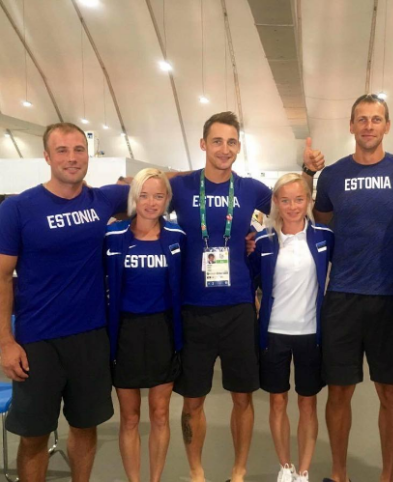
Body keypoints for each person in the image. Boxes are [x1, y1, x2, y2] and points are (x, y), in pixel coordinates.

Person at [0, 122, 129, 482]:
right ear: (46, 156)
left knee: (85, 427)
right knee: (34, 435)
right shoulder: (18, 208)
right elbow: (0, 278)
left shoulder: (103, 200)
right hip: (38, 341)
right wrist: (5, 342)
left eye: (78, 150)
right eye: (62, 150)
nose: (72, 158)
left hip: (90, 337)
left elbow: (161, 184)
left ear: (88, 155)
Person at [303, 94, 393, 482]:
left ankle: (387, 475)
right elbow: (319, 223)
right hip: (343, 298)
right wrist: (305, 172)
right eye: (362, 119)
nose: (369, 126)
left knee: (391, 393)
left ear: (387, 126)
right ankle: (339, 474)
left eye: (377, 119)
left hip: (389, 301)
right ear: (350, 127)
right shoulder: (333, 175)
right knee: (338, 393)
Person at [170, 111, 272, 482]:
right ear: (203, 144)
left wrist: (256, 236)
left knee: (242, 397)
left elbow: (290, 204)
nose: (224, 149)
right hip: (192, 309)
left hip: (238, 308)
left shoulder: (252, 190)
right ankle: (196, 471)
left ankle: (239, 470)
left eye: (231, 142)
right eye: (217, 141)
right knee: (192, 400)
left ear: (238, 147)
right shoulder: (179, 187)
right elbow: (142, 204)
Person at [248, 173, 334, 482]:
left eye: (299, 199)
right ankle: (285, 467)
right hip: (274, 333)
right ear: (276, 203)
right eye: (285, 200)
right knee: (277, 400)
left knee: (307, 403)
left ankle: (305, 470)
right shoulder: (263, 241)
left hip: (311, 332)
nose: (293, 206)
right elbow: (250, 280)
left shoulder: (324, 236)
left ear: (309, 201)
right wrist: (258, 309)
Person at [105, 168, 185, 482]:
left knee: (161, 414)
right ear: (134, 197)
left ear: (167, 200)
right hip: (125, 333)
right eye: (144, 194)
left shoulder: (177, 237)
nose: (151, 202)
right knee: (130, 417)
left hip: (163, 332)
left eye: (158, 195)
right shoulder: (113, 237)